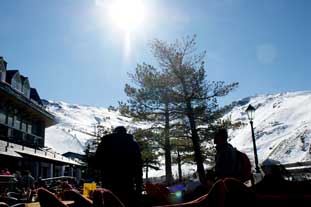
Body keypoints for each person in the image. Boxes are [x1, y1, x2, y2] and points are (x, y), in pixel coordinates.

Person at [95, 126, 143, 207]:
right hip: (127, 181)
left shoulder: (105, 142)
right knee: (126, 203)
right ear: (125, 132)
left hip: (108, 180)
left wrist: (103, 171)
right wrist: (139, 186)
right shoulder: (133, 144)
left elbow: (97, 161)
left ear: (114, 132)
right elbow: (138, 165)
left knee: (109, 203)